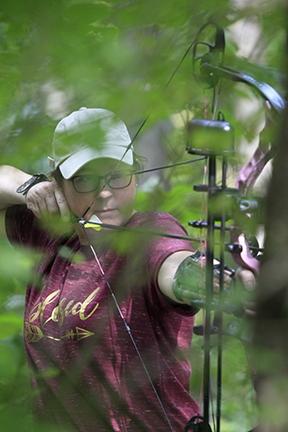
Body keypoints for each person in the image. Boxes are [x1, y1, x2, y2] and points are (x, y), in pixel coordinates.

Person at [0, 107, 208, 432]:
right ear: (59, 184)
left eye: (117, 175)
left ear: (136, 173)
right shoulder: (48, 234)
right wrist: (30, 187)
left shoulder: (150, 232)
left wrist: (204, 279)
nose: (105, 192)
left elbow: (174, 267)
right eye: (84, 179)